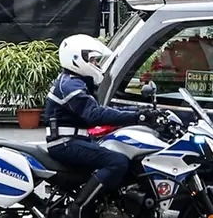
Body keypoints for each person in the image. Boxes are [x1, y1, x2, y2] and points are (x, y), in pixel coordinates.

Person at [45, 34, 144, 218]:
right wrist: (137, 117)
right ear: (76, 59)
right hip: (65, 143)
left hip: (73, 140)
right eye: (92, 59)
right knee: (117, 162)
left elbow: (103, 109)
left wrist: (139, 110)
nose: (96, 64)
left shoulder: (73, 81)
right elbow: (95, 114)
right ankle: (77, 209)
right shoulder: (70, 85)